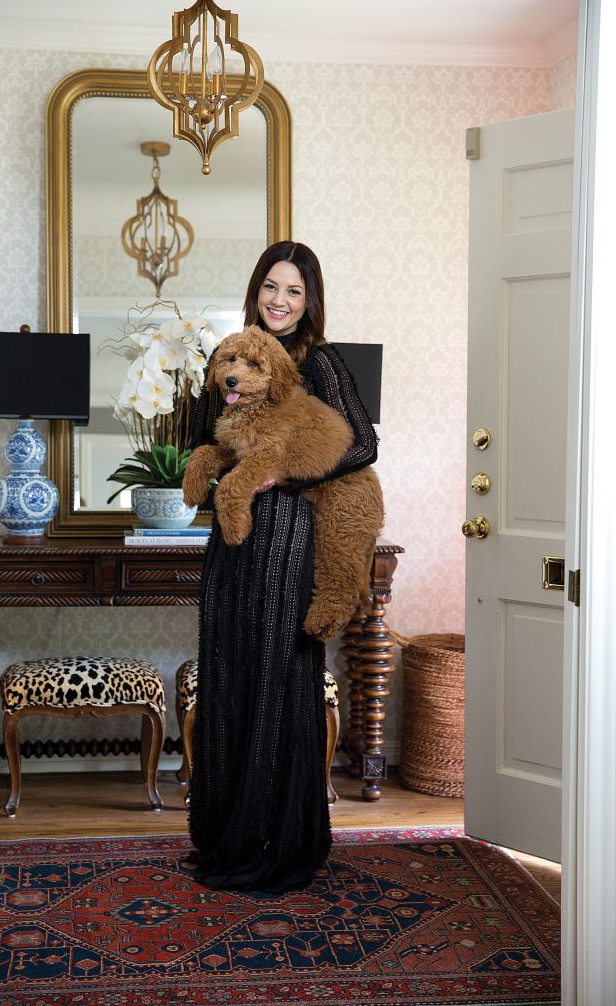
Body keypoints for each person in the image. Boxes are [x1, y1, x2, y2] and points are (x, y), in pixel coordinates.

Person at [187, 241, 378, 893]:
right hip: (231, 544)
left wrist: (278, 472)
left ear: (310, 300)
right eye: (272, 286)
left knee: (276, 678)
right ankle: (227, 836)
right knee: (229, 673)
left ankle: (278, 842)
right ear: (256, 288)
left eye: (294, 291)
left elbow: (360, 445)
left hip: (289, 540)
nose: (280, 300)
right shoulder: (231, 356)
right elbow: (202, 440)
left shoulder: (320, 362)